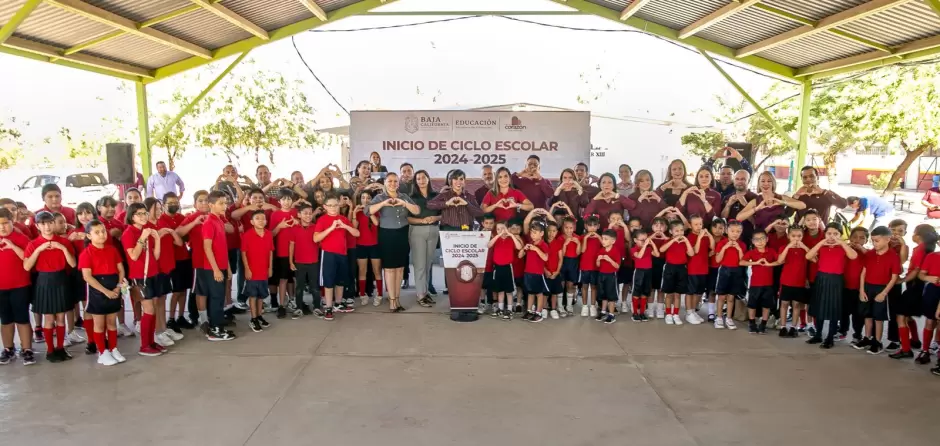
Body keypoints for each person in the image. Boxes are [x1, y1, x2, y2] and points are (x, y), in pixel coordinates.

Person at [25, 211, 77, 363]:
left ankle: (60, 347)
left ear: (54, 223)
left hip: (61, 279)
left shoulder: (64, 242)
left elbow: (73, 264)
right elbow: (27, 266)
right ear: (37, 226)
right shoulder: (33, 244)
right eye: (43, 224)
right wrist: (38, 250)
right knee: (49, 318)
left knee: (61, 317)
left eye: (50, 223)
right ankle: (50, 350)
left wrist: (62, 248)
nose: (47, 227)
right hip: (44, 281)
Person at [367, 173, 419, 312]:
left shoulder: (404, 196)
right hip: (387, 235)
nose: (393, 183)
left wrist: (404, 203)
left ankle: (397, 299)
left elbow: (417, 210)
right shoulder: (380, 197)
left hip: (402, 233)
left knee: (400, 268)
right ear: (385, 182)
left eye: (395, 181)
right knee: (389, 269)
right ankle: (391, 301)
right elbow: (368, 211)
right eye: (390, 181)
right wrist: (384, 203)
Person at [79, 220, 126, 366]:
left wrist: (118, 287)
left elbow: (121, 270)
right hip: (97, 291)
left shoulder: (112, 250)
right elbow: (87, 276)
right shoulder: (86, 253)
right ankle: (102, 352)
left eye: (103, 231)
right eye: (97, 232)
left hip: (113, 287)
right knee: (99, 324)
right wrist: (105, 291)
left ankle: (113, 349)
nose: (101, 234)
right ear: (89, 235)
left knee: (112, 322)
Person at [805, 222, 858, 349]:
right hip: (822, 278)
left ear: (841, 235)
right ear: (825, 234)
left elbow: (853, 256)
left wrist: (842, 243)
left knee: (834, 310)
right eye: (829, 233)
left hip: (836, 280)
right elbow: (808, 256)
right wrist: (821, 243)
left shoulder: (843, 248)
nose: (832, 236)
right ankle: (818, 334)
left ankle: (830, 337)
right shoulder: (822, 247)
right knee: (820, 308)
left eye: (836, 234)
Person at [122, 202, 163, 356]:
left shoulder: (147, 231)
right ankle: (144, 345)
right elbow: (133, 255)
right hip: (140, 277)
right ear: (132, 217)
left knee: (153, 308)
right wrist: (142, 238)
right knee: (149, 310)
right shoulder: (129, 233)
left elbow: (156, 255)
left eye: (145, 213)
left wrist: (157, 239)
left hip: (153, 273)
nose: (143, 216)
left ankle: (151, 341)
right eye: (139, 214)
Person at [145, 198, 184, 347]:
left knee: (161, 300)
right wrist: (158, 235)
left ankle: (162, 328)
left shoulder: (162, 223)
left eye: (160, 208)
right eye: (156, 208)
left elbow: (178, 243)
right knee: (154, 302)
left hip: (166, 267)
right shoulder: (147, 227)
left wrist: (171, 232)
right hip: (155, 268)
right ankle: (157, 332)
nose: (160, 211)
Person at [314, 193, 359, 321]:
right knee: (328, 282)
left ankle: (338, 304)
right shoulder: (322, 220)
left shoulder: (343, 219)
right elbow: (316, 238)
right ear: (325, 207)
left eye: (335, 205)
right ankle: (328, 307)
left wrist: (344, 226)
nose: (333, 208)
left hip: (342, 254)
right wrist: (331, 228)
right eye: (330, 205)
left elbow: (356, 233)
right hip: (328, 254)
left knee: (340, 280)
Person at [0, 208, 36, 366]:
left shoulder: (21, 238)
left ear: (11, 222)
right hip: (2, 287)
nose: (2, 227)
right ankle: (8, 348)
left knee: (22, 318)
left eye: (5, 223)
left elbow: (28, 260)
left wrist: (12, 246)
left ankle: (27, 348)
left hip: (20, 285)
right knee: (6, 320)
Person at [201, 191, 236, 341]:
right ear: (211, 205)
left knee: (220, 298)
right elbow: (207, 248)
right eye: (221, 203)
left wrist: (227, 267)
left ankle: (219, 326)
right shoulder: (209, 222)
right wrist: (215, 269)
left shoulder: (220, 221)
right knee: (216, 298)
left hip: (221, 266)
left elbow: (223, 247)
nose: (225, 206)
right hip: (212, 268)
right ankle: (215, 329)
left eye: (226, 203)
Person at [159, 192, 193, 333]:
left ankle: (180, 316)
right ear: (163, 204)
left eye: (175, 202)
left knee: (184, 289)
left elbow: (186, 237)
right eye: (170, 203)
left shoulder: (182, 218)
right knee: (176, 291)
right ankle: (171, 318)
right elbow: (176, 240)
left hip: (184, 257)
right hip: (172, 261)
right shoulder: (161, 220)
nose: (174, 205)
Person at [736, 171, 805, 238]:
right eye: (763, 181)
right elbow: (739, 217)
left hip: (780, 238)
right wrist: (756, 208)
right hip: (761, 239)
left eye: (769, 181)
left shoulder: (781, 197)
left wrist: (783, 202)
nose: (766, 184)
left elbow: (802, 205)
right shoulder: (755, 201)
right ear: (759, 184)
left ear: (773, 183)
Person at [407, 170, 440, 308]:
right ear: (416, 181)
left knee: (428, 263)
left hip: (433, 230)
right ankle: (420, 295)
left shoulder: (436, 195)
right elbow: (407, 218)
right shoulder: (411, 197)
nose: (421, 180)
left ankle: (425, 292)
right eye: (418, 178)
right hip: (417, 231)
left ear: (428, 179)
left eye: (423, 177)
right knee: (420, 264)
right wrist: (422, 221)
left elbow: (443, 214)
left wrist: (435, 218)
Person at [241, 210, 274, 332]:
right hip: (252, 271)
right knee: (253, 295)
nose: (261, 220)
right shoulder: (247, 235)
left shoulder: (268, 234)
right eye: (257, 218)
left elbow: (270, 252)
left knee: (261, 295)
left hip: (263, 270)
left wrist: (270, 267)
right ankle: (253, 318)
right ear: (252, 222)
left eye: (263, 218)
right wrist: (247, 269)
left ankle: (259, 316)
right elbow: (243, 253)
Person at [742, 230, 779, 334]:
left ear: (767, 239)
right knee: (752, 305)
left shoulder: (771, 251)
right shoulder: (751, 252)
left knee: (766, 305)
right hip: (755, 284)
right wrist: (755, 262)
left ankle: (763, 324)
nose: (760, 241)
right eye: (756, 239)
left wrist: (769, 264)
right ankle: (752, 323)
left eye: (762, 238)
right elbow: (741, 262)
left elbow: (780, 260)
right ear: (753, 242)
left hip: (768, 284)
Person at [288, 203, 319, 319]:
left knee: (314, 286)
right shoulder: (294, 229)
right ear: (299, 215)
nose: (308, 215)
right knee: (299, 287)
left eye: (310, 213)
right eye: (305, 213)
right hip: (299, 262)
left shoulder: (316, 227)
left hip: (313, 262)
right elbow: (291, 245)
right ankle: (299, 308)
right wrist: (291, 261)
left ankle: (317, 307)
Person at [520, 220, 550, 323]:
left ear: (541, 234)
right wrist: (524, 248)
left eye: (535, 232)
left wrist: (536, 249)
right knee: (530, 292)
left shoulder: (544, 244)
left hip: (538, 273)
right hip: (528, 272)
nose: (532, 235)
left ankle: (539, 312)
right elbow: (520, 256)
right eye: (531, 232)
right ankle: (529, 311)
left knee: (539, 293)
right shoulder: (530, 244)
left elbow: (545, 258)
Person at [629, 228, 658, 322]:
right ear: (635, 240)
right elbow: (639, 256)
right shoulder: (634, 249)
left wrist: (651, 243)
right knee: (637, 292)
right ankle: (635, 313)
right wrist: (645, 245)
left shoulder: (649, 249)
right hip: (639, 272)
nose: (644, 242)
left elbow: (657, 254)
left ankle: (642, 312)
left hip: (648, 272)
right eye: (642, 240)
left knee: (645, 293)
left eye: (645, 239)